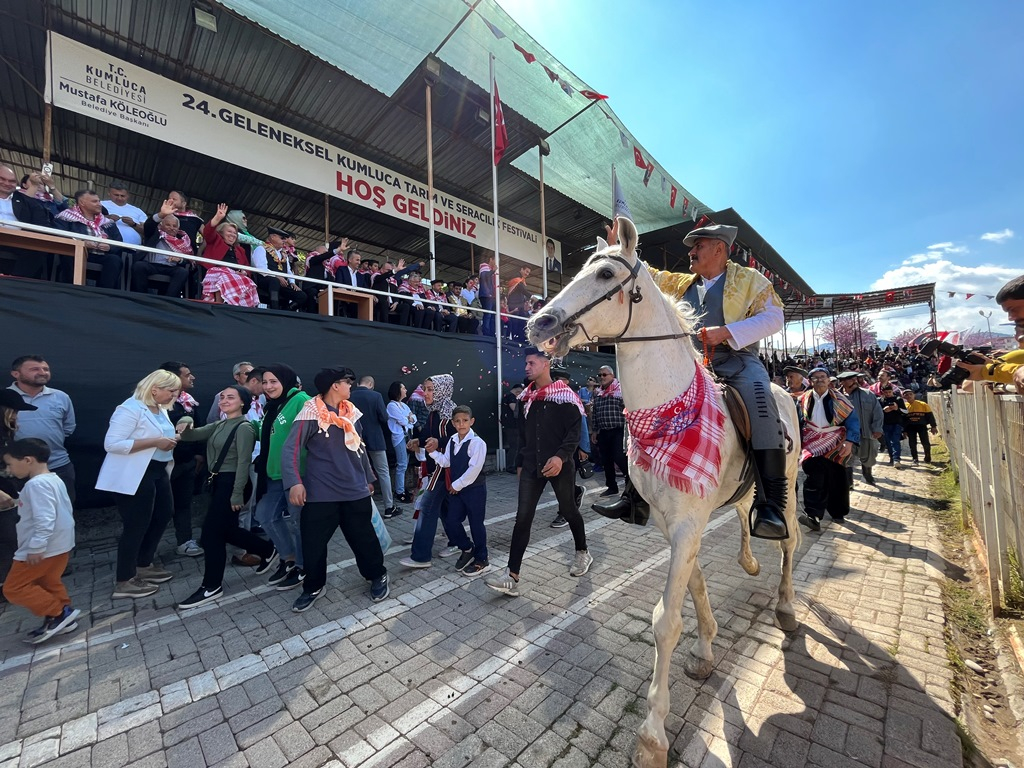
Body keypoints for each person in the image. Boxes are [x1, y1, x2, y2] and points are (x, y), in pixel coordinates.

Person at [599, 221, 789, 539]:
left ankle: (772, 505)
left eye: (698, 245)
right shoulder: (682, 283)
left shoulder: (749, 279)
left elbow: (775, 317)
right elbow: (644, 273)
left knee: (760, 398)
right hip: (694, 366)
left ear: (719, 248)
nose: (691, 251)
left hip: (739, 363)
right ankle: (634, 496)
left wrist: (727, 332)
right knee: (642, 404)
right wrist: (618, 249)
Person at [486, 350, 592, 597]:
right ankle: (512, 575)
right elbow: (524, 435)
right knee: (523, 517)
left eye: (531, 363)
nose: (526, 367)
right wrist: (521, 462)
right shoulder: (527, 398)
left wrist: (561, 456)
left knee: (568, 510)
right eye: (525, 363)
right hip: (533, 465)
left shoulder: (565, 396)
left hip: (560, 465)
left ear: (546, 365)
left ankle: (582, 552)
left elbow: (574, 432)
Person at [283, 367, 389, 610]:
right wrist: (295, 482)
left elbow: (359, 447)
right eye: (347, 382)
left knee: (364, 539)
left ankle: (377, 575)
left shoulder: (351, 413)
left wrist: (369, 478)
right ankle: (313, 586)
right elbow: (291, 449)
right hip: (321, 493)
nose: (351, 386)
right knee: (313, 543)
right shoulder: (310, 413)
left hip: (355, 489)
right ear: (334, 386)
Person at [176, 386, 278, 609]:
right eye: (221, 396)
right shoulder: (220, 424)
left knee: (211, 535)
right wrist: (185, 417)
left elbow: (243, 463)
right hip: (218, 482)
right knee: (228, 530)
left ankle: (211, 585)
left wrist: (236, 494)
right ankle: (268, 550)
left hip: (233, 483)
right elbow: (189, 435)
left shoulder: (244, 427)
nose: (224, 400)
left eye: (230, 397)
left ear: (242, 402)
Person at [95, 369, 182, 599]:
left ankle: (143, 563)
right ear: (155, 389)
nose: (175, 395)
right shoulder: (129, 409)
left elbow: (162, 437)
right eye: (171, 390)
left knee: (164, 514)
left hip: (158, 470)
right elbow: (112, 444)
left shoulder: (160, 408)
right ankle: (124, 579)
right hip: (135, 473)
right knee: (136, 523)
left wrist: (172, 439)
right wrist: (155, 441)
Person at [1, 438, 80, 644]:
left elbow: (45, 517)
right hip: (59, 544)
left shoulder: (36, 485)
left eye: (9, 464)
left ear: (27, 460)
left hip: (41, 548)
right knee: (48, 582)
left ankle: (58, 613)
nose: (8, 469)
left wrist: (36, 546)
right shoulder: (52, 479)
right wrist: (19, 502)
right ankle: (64, 617)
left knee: (13, 588)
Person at [253, 364, 309, 590]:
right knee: (264, 515)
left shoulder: (301, 400)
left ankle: (304, 566)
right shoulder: (273, 406)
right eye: (265, 382)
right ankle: (289, 558)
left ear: (285, 381)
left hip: (297, 474)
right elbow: (269, 433)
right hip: (274, 473)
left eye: (273, 381)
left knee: (298, 523)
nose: (268, 386)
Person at [399, 375, 462, 568]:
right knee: (443, 508)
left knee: (427, 507)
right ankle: (458, 542)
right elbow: (428, 433)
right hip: (436, 467)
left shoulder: (452, 412)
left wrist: (439, 443)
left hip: (446, 469)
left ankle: (420, 556)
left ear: (442, 390)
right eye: (425, 388)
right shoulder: (434, 411)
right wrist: (418, 441)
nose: (425, 393)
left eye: (430, 389)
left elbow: (462, 438)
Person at [427, 405, 490, 577]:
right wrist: (433, 453)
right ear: (453, 423)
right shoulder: (453, 440)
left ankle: (482, 558)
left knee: (476, 524)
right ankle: (467, 548)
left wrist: (457, 484)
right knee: (452, 521)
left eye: (465, 420)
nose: (461, 424)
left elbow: (474, 469)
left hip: (473, 489)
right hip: (457, 489)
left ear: (472, 421)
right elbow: (447, 461)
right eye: (457, 421)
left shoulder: (478, 442)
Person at [797, 368, 859, 531]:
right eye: (815, 378)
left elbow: (852, 421)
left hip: (835, 443)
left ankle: (838, 512)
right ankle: (813, 515)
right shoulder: (803, 399)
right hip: (811, 443)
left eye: (823, 377)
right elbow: (798, 421)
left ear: (828, 380)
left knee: (837, 478)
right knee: (813, 479)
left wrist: (850, 441)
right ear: (810, 381)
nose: (819, 380)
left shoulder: (840, 400)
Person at [9, 356, 77, 503]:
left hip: (58, 466)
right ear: (16, 374)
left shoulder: (60, 397)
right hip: (17, 469)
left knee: (63, 509)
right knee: (21, 514)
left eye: (45, 369)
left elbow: (68, 427)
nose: (42, 372)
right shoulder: (5, 398)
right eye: (35, 369)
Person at [159, 361, 205, 558]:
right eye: (187, 375)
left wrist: (199, 455)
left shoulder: (189, 401)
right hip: (164, 465)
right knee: (160, 507)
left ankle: (184, 541)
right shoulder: (158, 404)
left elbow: (200, 429)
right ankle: (146, 553)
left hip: (187, 463)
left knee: (183, 503)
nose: (192, 377)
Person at [0, 390, 38, 589]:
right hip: (2, 497)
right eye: (14, 411)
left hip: (10, 494)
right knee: (7, 541)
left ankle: (13, 581)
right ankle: (8, 585)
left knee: (13, 539)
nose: (16, 416)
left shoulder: (7, 432)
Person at [349, 375, 400, 518]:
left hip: (355, 440)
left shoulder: (349, 396)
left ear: (359, 383)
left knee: (358, 473)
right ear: (371, 384)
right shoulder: (376, 396)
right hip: (375, 440)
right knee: (383, 472)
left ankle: (360, 509)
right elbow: (384, 418)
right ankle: (389, 507)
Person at [54, 189, 124, 288]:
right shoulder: (65, 217)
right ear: (82, 203)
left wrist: (109, 247)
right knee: (70, 255)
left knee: (114, 260)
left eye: (99, 201)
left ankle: (104, 295)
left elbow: (119, 242)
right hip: (76, 253)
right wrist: (81, 243)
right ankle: (70, 290)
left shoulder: (108, 222)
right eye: (94, 201)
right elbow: (59, 236)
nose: (99, 204)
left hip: (102, 256)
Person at [200, 204, 259, 307]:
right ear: (221, 233)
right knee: (224, 277)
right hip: (217, 272)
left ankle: (240, 308)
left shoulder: (240, 250)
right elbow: (208, 232)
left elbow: (247, 266)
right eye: (229, 232)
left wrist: (244, 272)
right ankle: (219, 306)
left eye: (235, 233)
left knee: (248, 281)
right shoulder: (215, 241)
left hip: (235, 275)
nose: (233, 234)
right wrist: (217, 218)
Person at [838, 371, 883, 487]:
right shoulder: (838, 397)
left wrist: (877, 428)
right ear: (842, 382)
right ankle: (849, 483)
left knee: (868, 457)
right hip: (846, 436)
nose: (854, 382)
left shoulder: (868, 394)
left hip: (866, 432)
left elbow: (877, 412)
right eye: (850, 379)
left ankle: (868, 476)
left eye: (855, 379)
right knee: (846, 459)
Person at [589, 366, 629, 499]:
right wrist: (594, 430)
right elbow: (595, 412)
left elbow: (629, 409)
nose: (601, 377)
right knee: (606, 460)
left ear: (612, 376)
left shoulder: (621, 390)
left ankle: (631, 485)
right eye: (599, 375)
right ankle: (612, 487)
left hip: (618, 430)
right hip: (603, 431)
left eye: (604, 375)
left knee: (619, 457)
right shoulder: (597, 392)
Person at [130, 214, 192, 297]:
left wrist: (180, 259)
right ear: (161, 225)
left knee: (182, 272)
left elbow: (188, 260)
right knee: (139, 266)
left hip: (170, 268)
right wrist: (160, 214)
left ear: (178, 229)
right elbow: (149, 225)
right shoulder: (154, 234)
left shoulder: (182, 241)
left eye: (174, 226)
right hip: (151, 265)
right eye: (168, 225)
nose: (171, 228)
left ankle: (169, 300)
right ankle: (141, 297)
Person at [386, 381, 416, 505]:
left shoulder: (404, 405)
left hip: (408, 437)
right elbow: (403, 420)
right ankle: (400, 491)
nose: (405, 389)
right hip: (399, 438)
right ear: (397, 390)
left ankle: (401, 489)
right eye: (403, 388)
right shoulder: (391, 406)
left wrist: (409, 418)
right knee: (402, 464)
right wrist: (408, 418)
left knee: (405, 463)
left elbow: (414, 419)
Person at [101, 181, 145, 249]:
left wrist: (133, 224)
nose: (119, 198)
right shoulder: (101, 205)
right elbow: (89, 219)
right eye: (116, 195)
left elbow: (147, 231)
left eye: (122, 196)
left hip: (132, 248)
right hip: (107, 246)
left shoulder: (138, 211)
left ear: (128, 196)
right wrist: (108, 218)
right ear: (109, 193)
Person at [902, 390, 937, 464]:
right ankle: (915, 458)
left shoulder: (923, 404)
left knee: (925, 442)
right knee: (912, 443)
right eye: (906, 395)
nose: (909, 396)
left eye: (910, 394)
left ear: (914, 395)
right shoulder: (904, 406)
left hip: (921, 426)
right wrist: (904, 430)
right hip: (910, 427)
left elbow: (930, 416)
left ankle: (927, 457)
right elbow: (903, 420)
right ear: (904, 397)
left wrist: (933, 426)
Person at [879, 384, 907, 467]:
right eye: (886, 392)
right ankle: (892, 457)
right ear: (883, 392)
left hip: (896, 424)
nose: (888, 394)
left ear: (892, 391)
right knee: (888, 442)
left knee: (895, 441)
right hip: (885, 424)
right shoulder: (880, 400)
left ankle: (896, 459)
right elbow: (876, 413)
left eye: (889, 392)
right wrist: (883, 411)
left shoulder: (898, 399)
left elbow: (905, 412)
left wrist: (896, 409)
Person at [500, 382, 523, 474]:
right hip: (512, 426)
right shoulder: (511, 397)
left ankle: (512, 465)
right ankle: (511, 466)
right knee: (514, 446)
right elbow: (514, 408)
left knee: (515, 446)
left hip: (510, 425)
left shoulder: (508, 396)